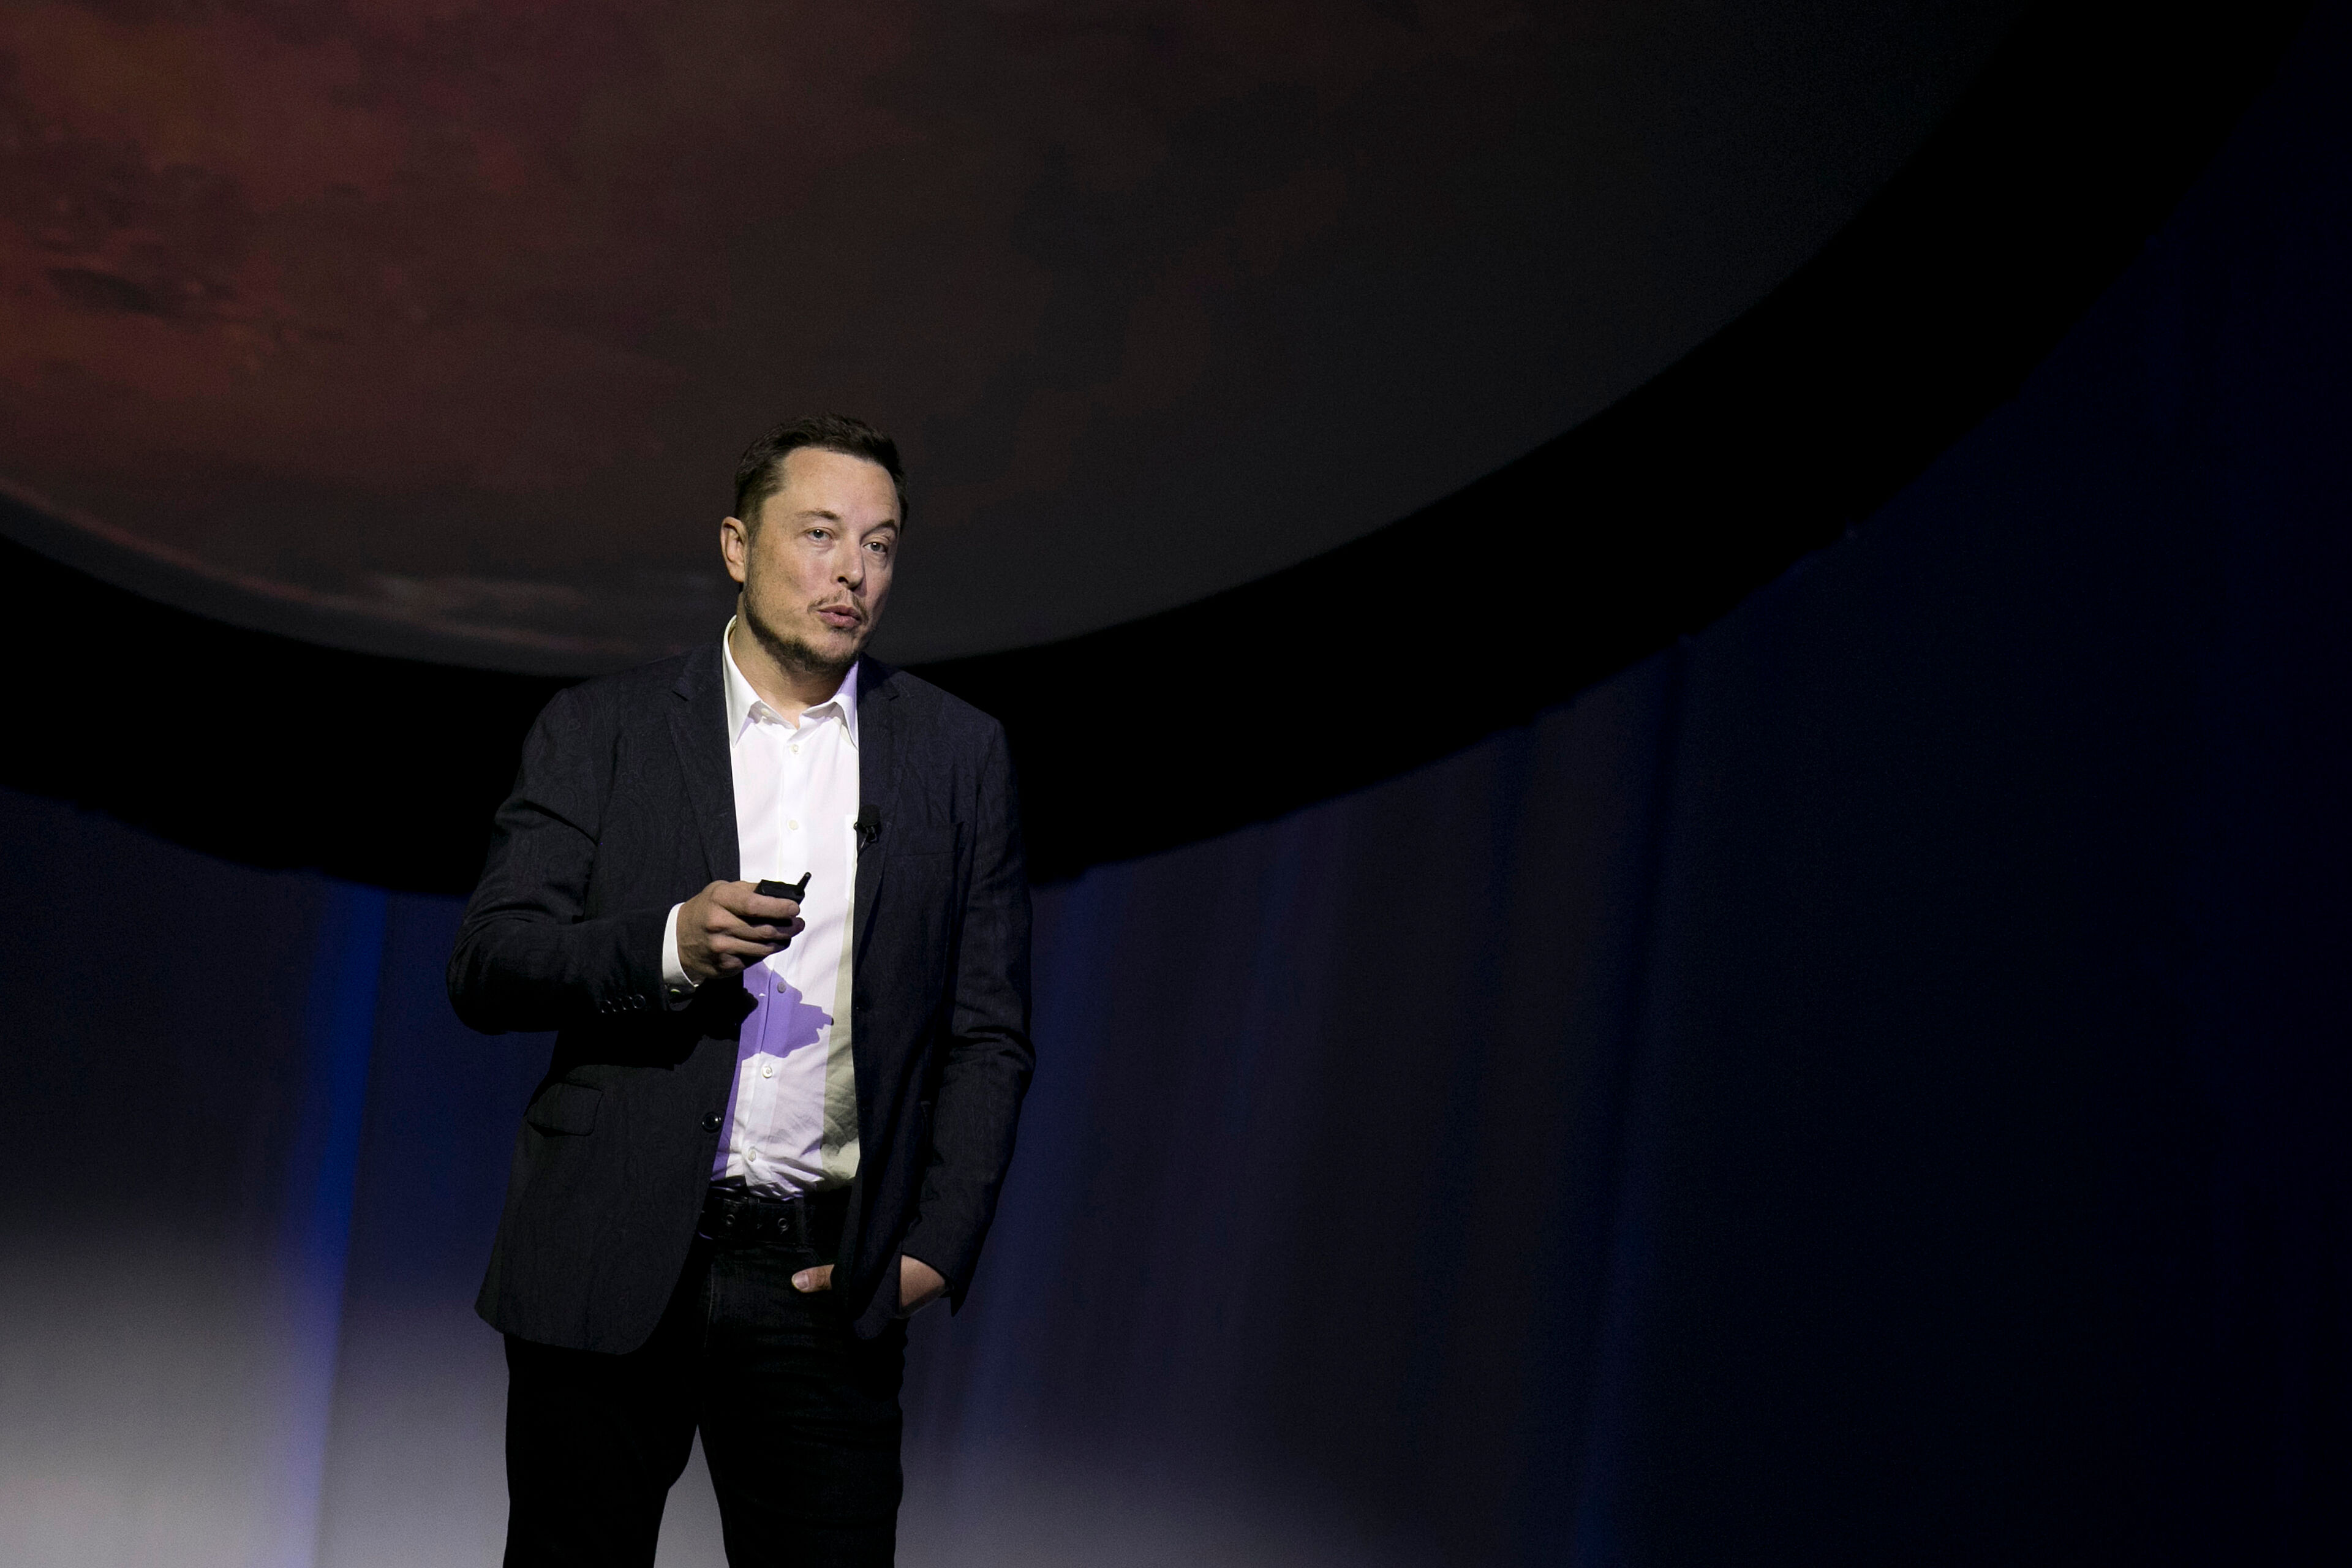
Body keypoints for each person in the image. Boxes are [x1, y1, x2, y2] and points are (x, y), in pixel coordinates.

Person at [448, 414, 1033, 1567]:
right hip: (608, 1256)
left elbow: (989, 1032)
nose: (852, 572)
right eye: (819, 535)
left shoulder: (958, 757)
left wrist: (936, 1246)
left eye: (879, 545)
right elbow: (491, 963)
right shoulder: (603, 731)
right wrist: (667, 944)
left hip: (823, 1280)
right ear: (736, 545)